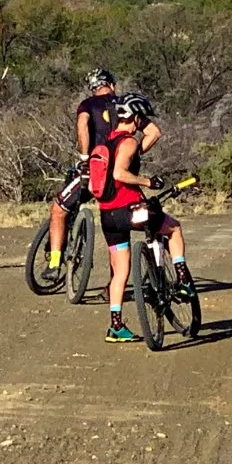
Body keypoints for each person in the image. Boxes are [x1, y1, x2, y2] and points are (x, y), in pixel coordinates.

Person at [42, 68, 161, 282]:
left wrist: (84, 157)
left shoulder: (87, 105)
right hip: (118, 180)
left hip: (95, 171)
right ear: (112, 85)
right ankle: (113, 285)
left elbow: (82, 126)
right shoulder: (125, 105)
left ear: (92, 87)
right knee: (117, 233)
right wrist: (131, 151)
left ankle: (54, 263)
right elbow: (154, 132)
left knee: (59, 210)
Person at [95, 93, 192, 343]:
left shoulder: (108, 142)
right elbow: (119, 173)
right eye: (140, 118)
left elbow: (153, 134)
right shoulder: (128, 144)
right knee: (173, 228)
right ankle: (182, 279)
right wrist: (147, 181)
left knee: (121, 272)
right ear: (135, 119)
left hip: (108, 216)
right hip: (130, 210)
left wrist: (137, 118)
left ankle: (116, 327)